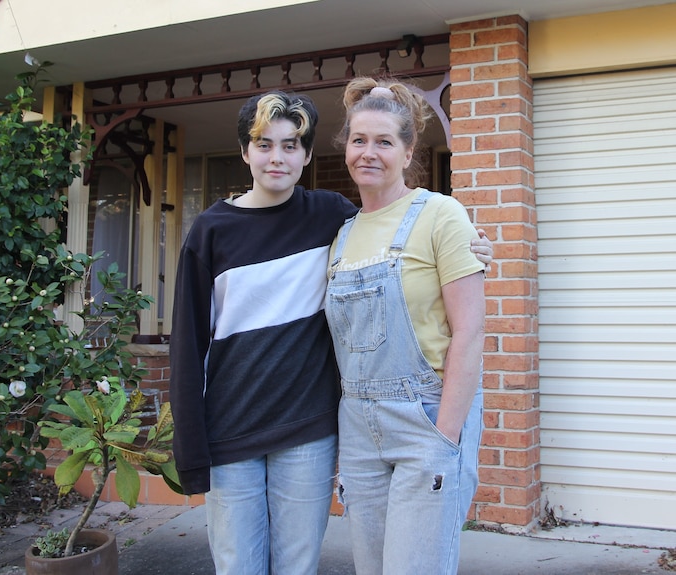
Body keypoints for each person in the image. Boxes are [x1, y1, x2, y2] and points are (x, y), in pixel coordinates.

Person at [169, 90, 492, 575]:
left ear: (306, 154)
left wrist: (474, 248)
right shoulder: (226, 231)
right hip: (257, 428)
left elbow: (459, 313)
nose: (276, 157)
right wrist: (191, 450)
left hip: (322, 430)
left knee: (308, 565)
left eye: (290, 145)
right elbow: (189, 348)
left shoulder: (333, 215)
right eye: (263, 144)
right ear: (244, 151)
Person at [324, 76, 487, 575]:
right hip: (357, 425)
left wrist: (446, 435)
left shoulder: (441, 215)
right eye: (358, 140)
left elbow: (471, 331)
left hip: (425, 417)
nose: (367, 153)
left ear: (408, 148)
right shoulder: (341, 233)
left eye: (383, 142)